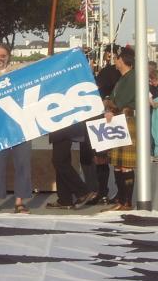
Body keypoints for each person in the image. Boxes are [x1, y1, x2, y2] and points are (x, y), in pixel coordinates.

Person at [0, 43, 31, 215]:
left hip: (20, 125)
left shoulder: (18, 70)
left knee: (22, 163)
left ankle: (19, 202)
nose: (0, 58)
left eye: (3, 55)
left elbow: (41, 68)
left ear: (9, 56)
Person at [103, 46, 137, 211]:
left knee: (126, 164)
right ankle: (121, 199)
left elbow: (119, 101)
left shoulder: (132, 78)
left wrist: (109, 105)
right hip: (118, 120)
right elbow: (113, 97)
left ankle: (127, 201)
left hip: (126, 120)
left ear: (123, 61)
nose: (114, 61)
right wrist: (109, 103)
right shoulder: (122, 78)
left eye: (117, 59)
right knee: (117, 163)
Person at [93, 45, 122, 204]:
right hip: (105, 115)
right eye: (106, 53)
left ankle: (105, 192)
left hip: (108, 116)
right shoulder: (113, 72)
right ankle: (106, 192)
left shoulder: (109, 72)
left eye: (109, 53)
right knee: (103, 157)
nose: (107, 56)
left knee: (105, 158)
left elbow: (99, 90)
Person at [47, 121, 98, 209]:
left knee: (59, 161)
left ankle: (83, 192)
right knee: (62, 162)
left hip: (64, 125)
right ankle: (64, 200)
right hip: (59, 126)